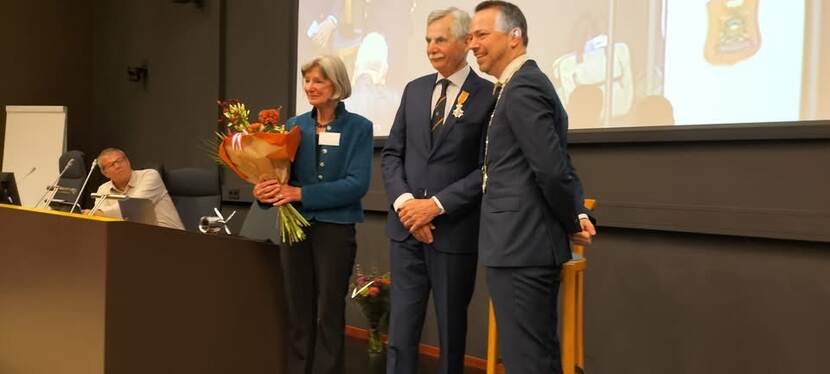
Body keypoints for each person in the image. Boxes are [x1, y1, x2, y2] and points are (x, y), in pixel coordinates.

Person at [469, 2, 597, 374]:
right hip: (515, 245)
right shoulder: (513, 86)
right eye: (471, 36)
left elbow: (551, 169)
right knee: (529, 354)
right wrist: (575, 211)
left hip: (522, 246)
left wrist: (572, 220)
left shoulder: (524, 85)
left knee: (529, 359)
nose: (473, 44)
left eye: (482, 34)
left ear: (514, 37)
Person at [381, 7, 493, 374]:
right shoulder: (414, 91)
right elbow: (392, 155)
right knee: (400, 332)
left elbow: (488, 169)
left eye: (440, 39)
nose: (431, 47)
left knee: (451, 335)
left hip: (454, 233)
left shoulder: (489, 95)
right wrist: (408, 206)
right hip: (406, 230)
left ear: (465, 41)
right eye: (428, 40)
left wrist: (436, 206)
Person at [252, 55, 373, 374]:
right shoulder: (294, 125)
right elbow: (281, 178)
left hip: (336, 230)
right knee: (298, 310)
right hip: (295, 229)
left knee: (328, 312)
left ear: (336, 85)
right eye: (307, 80)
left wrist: (301, 194)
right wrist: (264, 193)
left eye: (318, 80)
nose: (310, 86)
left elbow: (356, 184)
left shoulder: (360, 127)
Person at [92, 148, 184, 230]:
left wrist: (98, 213)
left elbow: (136, 207)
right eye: (111, 165)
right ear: (105, 173)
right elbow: (100, 220)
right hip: (134, 236)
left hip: (170, 236)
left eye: (120, 161)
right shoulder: (103, 189)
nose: (118, 166)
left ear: (128, 161)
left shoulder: (150, 176)